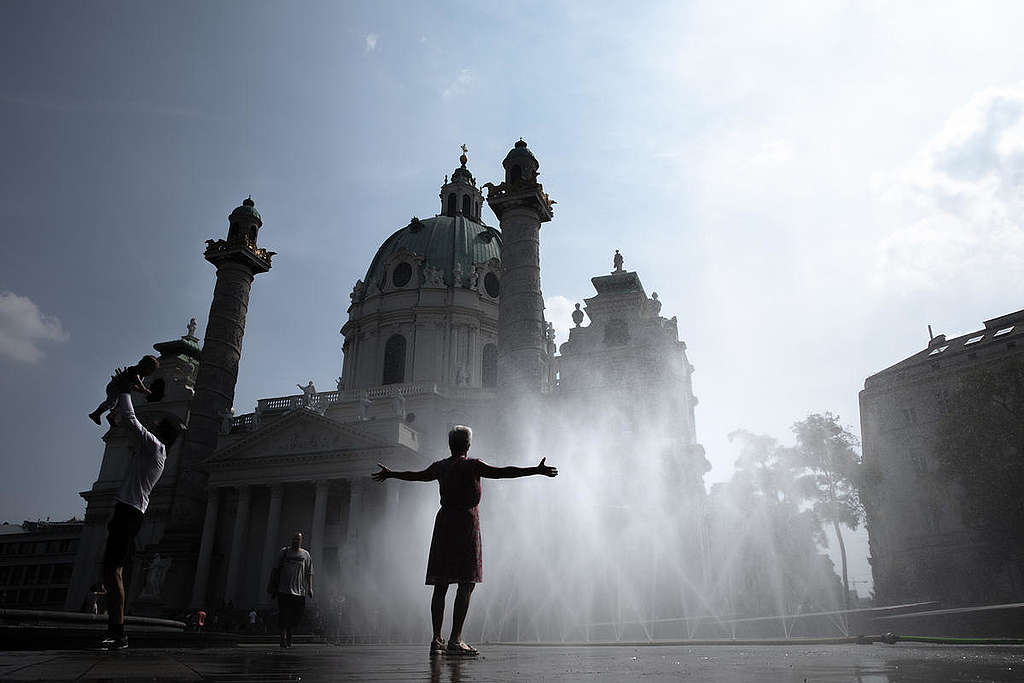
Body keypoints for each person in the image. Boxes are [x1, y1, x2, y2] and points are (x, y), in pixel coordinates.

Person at [372, 425, 558, 656]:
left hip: (444, 523)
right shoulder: (472, 465)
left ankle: (436, 639)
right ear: (468, 445)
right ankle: (455, 639)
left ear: (450, 445)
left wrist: (391, 474)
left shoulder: (440, 467)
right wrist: (535, 470)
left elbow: (416, 476)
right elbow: (503, 472)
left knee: (440, 584)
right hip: (466, 524)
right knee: (466, 582)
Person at [98, 387, 182, 649]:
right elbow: (128, 426)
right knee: (113, 571)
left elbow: (133, 421)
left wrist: (127, 389)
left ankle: (118, 631)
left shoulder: (156, 448)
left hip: (130, 511)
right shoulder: (153, 451)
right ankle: (116, 628)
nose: (152, 426)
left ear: (161, 433)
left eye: (156, 425)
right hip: (128, 509)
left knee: (113, 572)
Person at [269, 532, 313, 648]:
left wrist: (310, 588)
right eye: (294, 539)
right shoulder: (284, 552)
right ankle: (283, 638)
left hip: (299, 591)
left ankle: (289, 630)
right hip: (284, 589)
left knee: (297, 614)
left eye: (298, 539)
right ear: (291, 540)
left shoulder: (305, 554)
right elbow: (275, 569)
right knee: (284, 614)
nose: (296, 541)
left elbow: (309, 572)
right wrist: (271, 584)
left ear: (301, 540)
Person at [88, 355, 159, 426]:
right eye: (151, 370)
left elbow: (133, 386)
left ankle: (111, 416)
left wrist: (142, 391)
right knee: (112, 402)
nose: (150, 373)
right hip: (115, 387)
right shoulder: (134, 369)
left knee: (121, 406)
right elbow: (136, 378)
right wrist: (143, 389)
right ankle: (96, 413)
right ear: (145, 366)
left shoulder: (141, 377)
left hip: (122, 390)